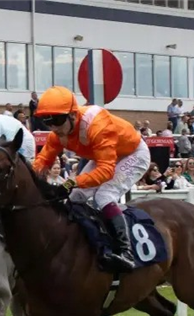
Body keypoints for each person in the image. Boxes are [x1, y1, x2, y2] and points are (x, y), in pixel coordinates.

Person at [32, 86, 151, 272]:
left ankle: (126, 252)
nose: (53, 127)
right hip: (104, 156)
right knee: (75, 198)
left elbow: (106, 171)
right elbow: (42, 161)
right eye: (47, 121)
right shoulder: (58, 133)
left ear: (72, 115)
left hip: (133, 154)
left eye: (57, 120)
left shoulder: (98, 125)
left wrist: (72, 182)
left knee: (104, 195)